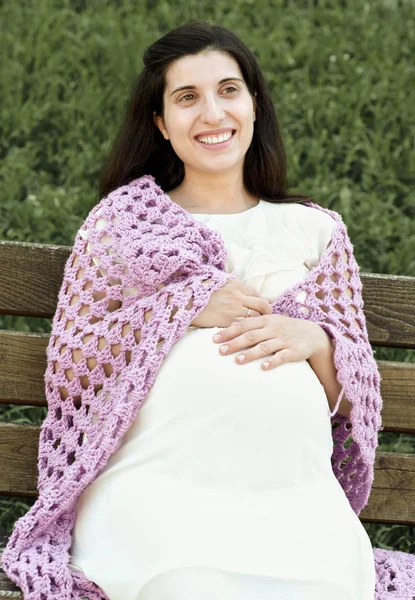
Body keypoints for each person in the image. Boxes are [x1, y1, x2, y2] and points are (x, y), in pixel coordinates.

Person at [67, 20, 376, 600]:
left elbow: (353, 405)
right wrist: (183, 306)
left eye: (228, 90)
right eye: (187, 98)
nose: (212, 114)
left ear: (254, 104)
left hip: (294, 499)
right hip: (159, 490)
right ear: (160, 123)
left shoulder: (315, 230)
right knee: (192, 586)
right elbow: (77, 364)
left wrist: (318, 341)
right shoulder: (121, 227)